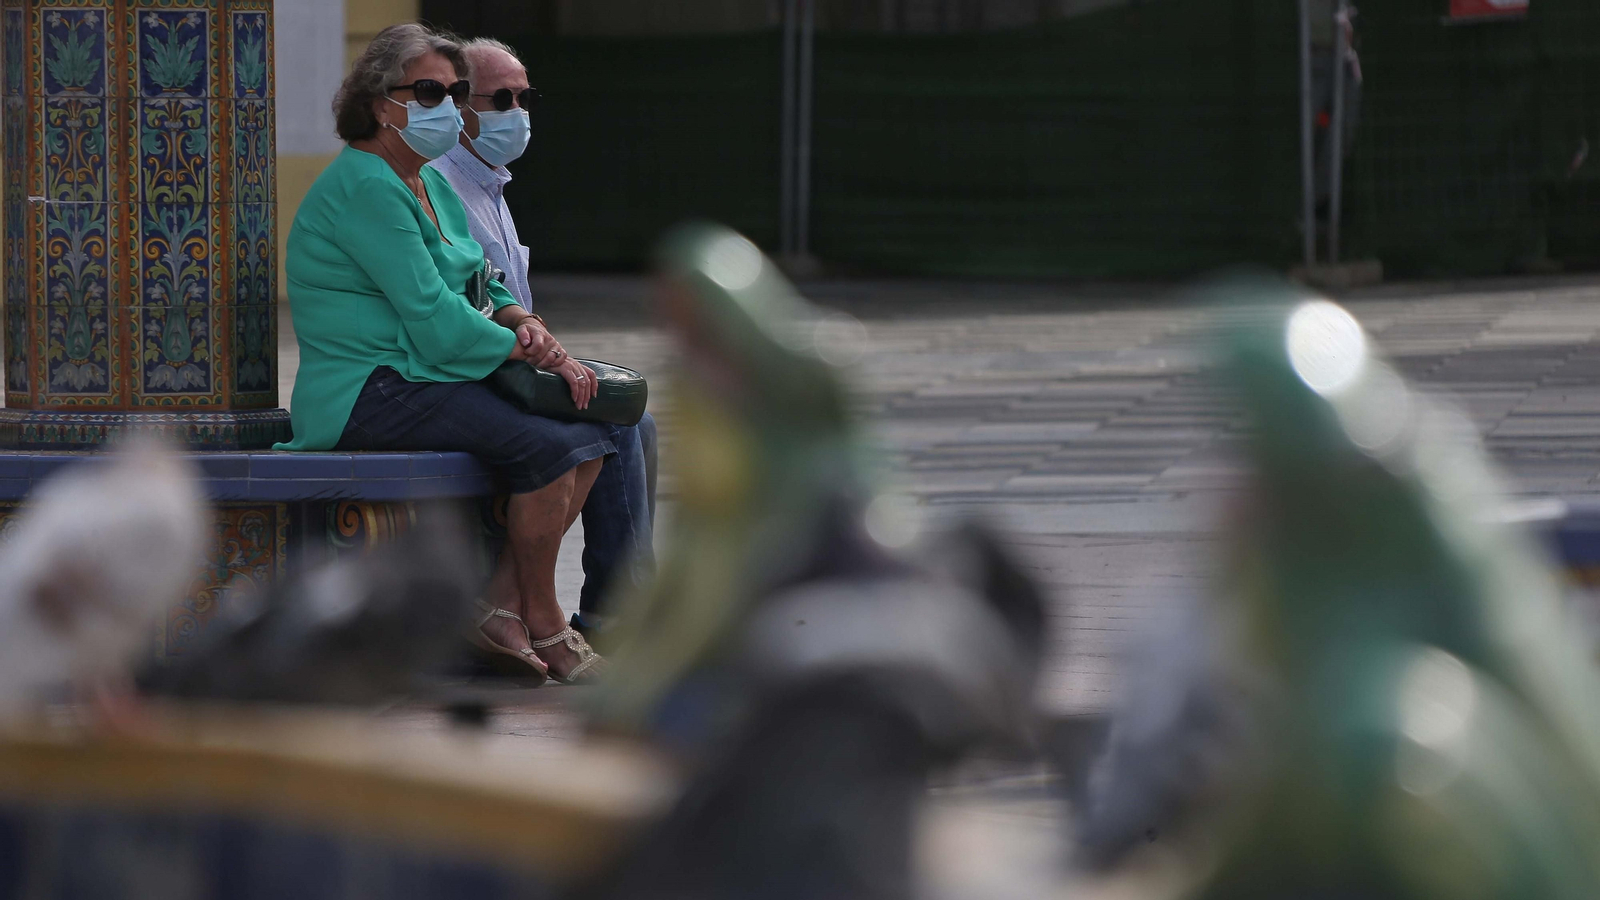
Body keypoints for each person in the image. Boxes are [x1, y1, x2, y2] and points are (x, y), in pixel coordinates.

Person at [277, 23, 604, 683]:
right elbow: (434, 319)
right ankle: (544, 620)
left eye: (456, 94)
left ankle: (503, 606)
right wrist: (531, 353)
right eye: (429, 92)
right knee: (554, 448)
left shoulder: (423, 179)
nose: (449, 108)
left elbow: (478, 278)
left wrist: (522, 321)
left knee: (591, 434)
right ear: (380, 104)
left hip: (422, 375)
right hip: (369, 390)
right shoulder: (368, 185)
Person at [429, 37, 656, 640]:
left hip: (511, 359)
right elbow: (462, 306)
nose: (517, 112)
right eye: (501, 99)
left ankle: (613, 610)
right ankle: (613, 617)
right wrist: (538, 351)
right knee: (615, 420)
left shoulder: (487, 182)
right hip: (473, 371)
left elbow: (505, 295)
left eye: (525, 98)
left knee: (631, 410)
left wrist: (544, 343)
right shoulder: (442, 183)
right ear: (459, 105)